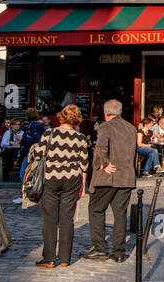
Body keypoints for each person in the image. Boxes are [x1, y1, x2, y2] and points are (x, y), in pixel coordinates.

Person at [26, 103, 89, 268]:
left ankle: (49, 258)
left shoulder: (49, 133)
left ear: (61, 116)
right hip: (72, 179)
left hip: (51, 177)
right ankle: (65, 258)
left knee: (50, 218)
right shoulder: (80, 137)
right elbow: (84, 164)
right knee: (67, 219)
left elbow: (39, 154)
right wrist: (83, 185)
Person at [86, 99, 139, 262]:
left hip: (108, 177)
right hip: (126, 176)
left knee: (96, 209)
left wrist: (104, 164)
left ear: (106, 113)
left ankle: (100, 248)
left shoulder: (105, 127)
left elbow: (101, 148)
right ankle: (118, 252)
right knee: (120, 214)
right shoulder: (131, 128)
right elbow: (134, 153)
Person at [19, 108, 46, 182]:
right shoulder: (34, 125)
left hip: (30, 152)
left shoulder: (34, 126)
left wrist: (23, 140)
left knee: (23, 173)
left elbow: (35, 139)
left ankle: (25, 190)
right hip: (32, 151)